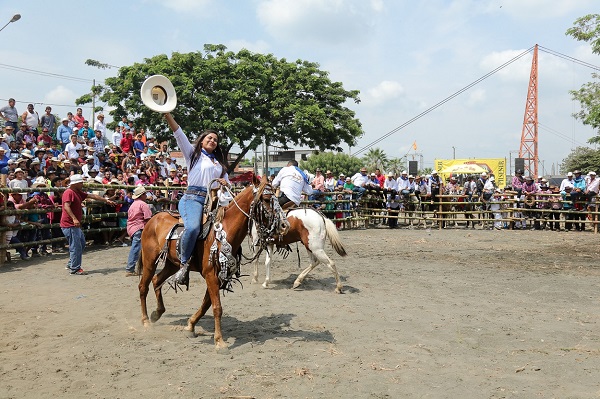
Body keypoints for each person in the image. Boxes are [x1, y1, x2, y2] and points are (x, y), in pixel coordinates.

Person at [163, 112, 230, 286]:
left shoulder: (220, 165)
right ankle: (184, 265)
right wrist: (167, 113)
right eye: (209, 138)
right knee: (193, 228)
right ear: (201, 141)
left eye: (215, 140)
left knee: (228, 231)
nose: (213, 141)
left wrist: (224, 182)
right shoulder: (192, 154)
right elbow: (178, 132)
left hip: (212, 201)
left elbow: (229, 186)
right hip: (192, 199)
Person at [60, 174, 116, 275]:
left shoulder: (77, 192)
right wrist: (74, 219)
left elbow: (92, 196)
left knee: (81, 243)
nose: (82, 184)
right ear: (75, 184)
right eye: (80, 182)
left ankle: (72, 263)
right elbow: (66, 207)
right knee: (76, 246)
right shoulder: (69, 192)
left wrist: (106, 200)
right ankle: (75, 268)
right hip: (70, 224)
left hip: (73, 224)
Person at [125, 186, 152, 276]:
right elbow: (148, 219)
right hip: (139, 227)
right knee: (136, 248)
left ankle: (134, 267)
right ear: (142, 195)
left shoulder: (133, 204)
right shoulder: (143, 204)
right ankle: (130, 268)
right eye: (145, 194)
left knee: (137, 248)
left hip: (132, 228)